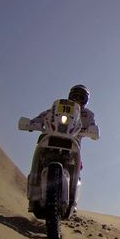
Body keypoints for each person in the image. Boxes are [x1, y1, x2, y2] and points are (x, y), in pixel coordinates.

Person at [26, 84, 98, 213]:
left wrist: (92, 130)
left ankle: (72, 201)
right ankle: (33, 194)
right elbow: (45, 116)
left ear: (86, 100)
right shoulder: (58, 108)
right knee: (38, 160)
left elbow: (92, 125)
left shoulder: (88, 114)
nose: (77, 99)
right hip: (50, 141)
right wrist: (33, 123)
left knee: (78, 169)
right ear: (69, 95)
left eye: (81, 97)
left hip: (72, 147)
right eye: (75, 95)